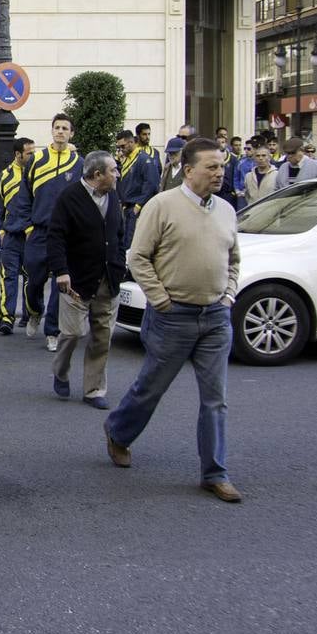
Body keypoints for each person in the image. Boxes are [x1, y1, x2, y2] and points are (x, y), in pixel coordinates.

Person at [104, 137, 242, 504]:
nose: (219, 173)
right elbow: (138, 257)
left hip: (215, 317)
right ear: (189, 170)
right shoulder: (162, 205)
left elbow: (233, 259)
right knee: (151, 388)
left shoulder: (227, 210)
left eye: (222, 166)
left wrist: (228, 294)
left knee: (215, 399)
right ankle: (118, 431)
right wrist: (161, 299)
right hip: (172, 317)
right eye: (211, 167)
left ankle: (215, 473)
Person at [47, 152, 124, 410]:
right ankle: (60, 371)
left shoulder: (113, 195)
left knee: (102, 337)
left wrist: (120, 263)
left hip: (108, 279)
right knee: (72, 333)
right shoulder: (69, 197)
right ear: (97, 174)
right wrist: (61, 271)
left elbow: (119, 233)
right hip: (76, 279)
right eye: (113, 170)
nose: (117, 174)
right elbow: (55, 236)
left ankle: (94, 390)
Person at [11, 113, 83, 353]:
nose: (60, 131)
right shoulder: (37, 159)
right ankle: (34, 311)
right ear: (52, 131)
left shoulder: (79, 163)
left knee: (60, 283)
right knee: (33, 279)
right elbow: (24, 195)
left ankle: (52, 331)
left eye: (65, 128)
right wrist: (28, 227)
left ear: (71, 133)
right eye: (57, 127)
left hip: (65, 234)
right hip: (39, 231)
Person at [0, 137, 34, 335]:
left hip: (30, 235)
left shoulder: (36, 173)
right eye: (29, 153)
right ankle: (6, 317)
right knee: (8, 277)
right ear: (18, 154)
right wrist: (1, 231)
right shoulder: (4, 176)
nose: (33, 156)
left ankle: (29, 314)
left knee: (31, 277)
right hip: (10, 235)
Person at [116, 129, 159, 253]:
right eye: (119, 147)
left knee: (133, 245)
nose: (121, 149)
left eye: (123, 146)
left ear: (131, 142)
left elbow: (151, 184)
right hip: (127, 207)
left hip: (137, 208)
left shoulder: (144, 159)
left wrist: (138, 205)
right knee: (125, 243)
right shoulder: (127, 159)